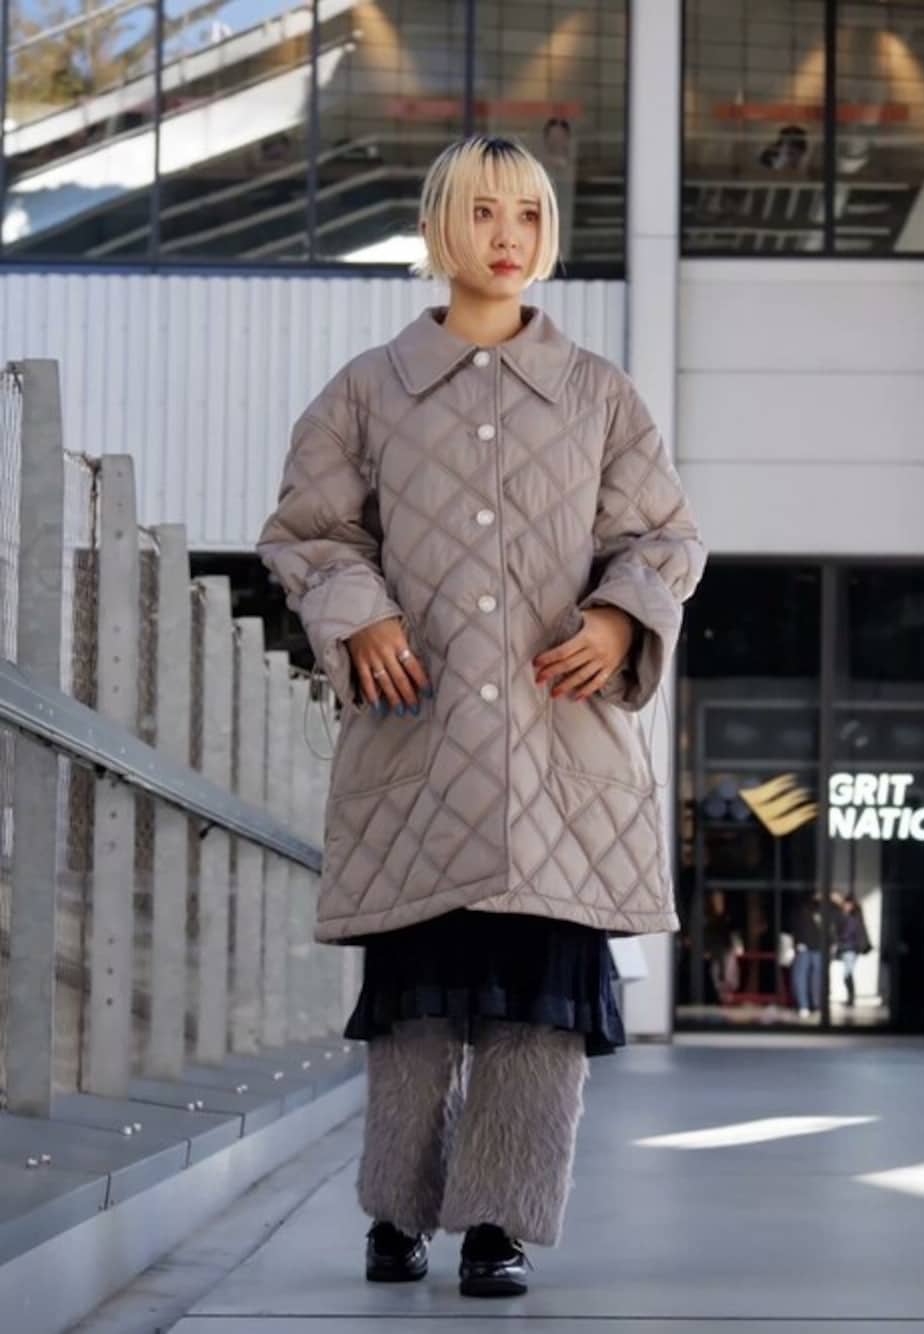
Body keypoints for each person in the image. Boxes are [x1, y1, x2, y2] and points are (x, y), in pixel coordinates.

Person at [257, 135, 705, 1298]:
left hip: (561, 751)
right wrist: (359, 613)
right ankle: (396, 1212)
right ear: (436, 227)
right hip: (421, 737)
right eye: (483, 211)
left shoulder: (600, 393)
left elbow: (662, 536)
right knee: (415, 1004)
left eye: (529, 215)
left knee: (540, 1012)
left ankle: (497, 1222)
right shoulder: (367, 389)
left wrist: (619, 619)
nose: (508, 236)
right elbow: (309, 532)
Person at [791, 890, 827, 1018]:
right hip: (809, 947)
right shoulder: (806, 909)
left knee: (808, 977)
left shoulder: (820, 910)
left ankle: (809, 1005)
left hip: (812, 947)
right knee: (808, 977)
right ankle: (808, 1005)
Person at [835, 893, 872, 1008]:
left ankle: (851, 999)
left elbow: (848, 933)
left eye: (848, 904)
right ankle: (850, 998)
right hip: (847, 948)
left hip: (850, 948)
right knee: (847, 973)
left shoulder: (853, 917)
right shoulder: (845, 916)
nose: (846, 906)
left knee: (847, 974)